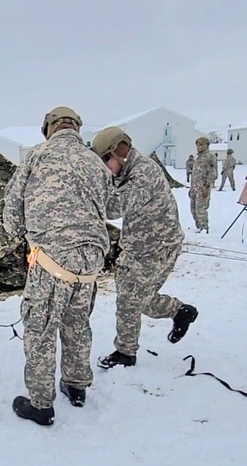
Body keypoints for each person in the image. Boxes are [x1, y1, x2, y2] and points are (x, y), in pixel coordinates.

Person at [3, 106, 112, 426]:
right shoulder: (96, 162)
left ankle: (40, 404)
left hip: (51, 261)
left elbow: (11, 217)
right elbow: (111, 207)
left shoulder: (36, 156)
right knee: (77, 323)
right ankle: (76, 386)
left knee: (40, 329)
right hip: (91, 263)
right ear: (77, 129)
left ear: (48, 128)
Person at [90, 127, 199, 370]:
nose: (104, 168)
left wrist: (84, 195)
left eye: (105, 161)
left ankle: (125, 353)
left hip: (155, 248)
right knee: (140, 299)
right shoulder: (127, 171)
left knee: (129, 301)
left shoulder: (143, 173)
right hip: (142, 245)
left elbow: (114, 208)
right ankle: (180, 311)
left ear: (119, 152)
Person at [189, 137, 217, 232]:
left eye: (201, 144)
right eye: (197, 144)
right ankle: (199, 227)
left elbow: (213, 173)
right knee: (193, 209)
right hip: (195, 188)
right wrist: (191, 188)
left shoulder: (209, 156)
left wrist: (207, 186)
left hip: (202, 188)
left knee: (200, 209)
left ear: (207, 145)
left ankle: (204, 228)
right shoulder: (199, 158)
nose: (198, 146)